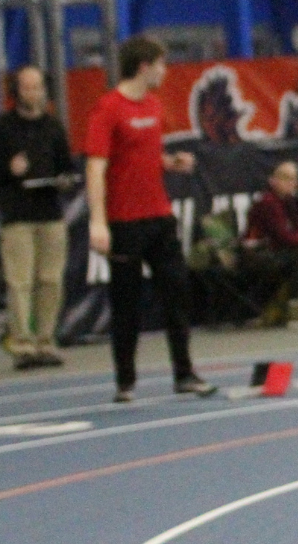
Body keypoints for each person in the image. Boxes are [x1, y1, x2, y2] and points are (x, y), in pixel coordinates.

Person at [83, 34, 216, 402]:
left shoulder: (154, 106)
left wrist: (169, 163)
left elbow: (144, 155)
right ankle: (125, 381)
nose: (165, 71)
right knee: (126, 303)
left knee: (177, 294)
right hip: (125, 221)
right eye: (161, 64)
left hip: (159, 215)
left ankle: (184, 373)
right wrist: (98, 222)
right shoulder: (108, 108)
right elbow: (96, 167)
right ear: (144, 66)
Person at [0, 65, 75, 368]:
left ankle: (46, 341)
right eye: (26, 88)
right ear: (16, 92)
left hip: (50, 212)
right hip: (17, 215)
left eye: (37, 87)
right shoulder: (2, 128)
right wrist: (10, 170)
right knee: (19, 281)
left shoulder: (53, 126)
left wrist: (64, 180)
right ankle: (22, 343)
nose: (32, 93)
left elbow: (67, 166)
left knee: (50, 280)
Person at [240, 160, 298, 325]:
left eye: (293, 179)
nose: (291, 183)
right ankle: (296, 310)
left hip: (277, 251)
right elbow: (283, 236)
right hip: (258, 254)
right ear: (273, 181)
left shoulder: (289, 201)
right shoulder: (267, 202)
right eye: (285, 178)